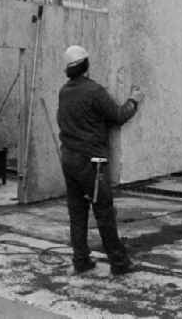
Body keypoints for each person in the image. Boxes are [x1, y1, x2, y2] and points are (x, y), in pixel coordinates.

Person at [57, 45, 145, 276]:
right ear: (87, 65)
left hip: (69, 159)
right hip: (91, 162)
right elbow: (117, 116)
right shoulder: (94, 92)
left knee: (77, 213)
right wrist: (134, 101)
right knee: (104, 211)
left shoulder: (64, 92)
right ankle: (119, 263)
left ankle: (81, 260)